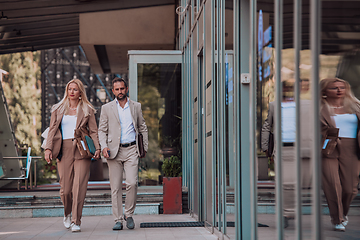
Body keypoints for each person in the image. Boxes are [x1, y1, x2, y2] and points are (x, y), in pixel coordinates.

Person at [44, 79, 101, 232]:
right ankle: (67, 213)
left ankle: (76, 221)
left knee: (79, 186)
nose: (72, 92)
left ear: (80, 92)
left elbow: (94, 131)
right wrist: (48, 149)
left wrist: (97, 147)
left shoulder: (88, 109)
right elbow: (52, 130)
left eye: (75, 89)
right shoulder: (58, 108)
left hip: (82, 149)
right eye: (70, 89)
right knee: (65, 189)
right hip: (64, 149)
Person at [261, 80, 313, 228]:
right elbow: (266, 126)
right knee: (284, 183)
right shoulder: (274, 105)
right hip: (283, 149)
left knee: (301, 184)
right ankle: (286, 212)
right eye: (286, 87)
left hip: (303, 149)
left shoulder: (307, 105)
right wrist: (266, 148)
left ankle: (292, 209)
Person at [98, 77, 148, 230]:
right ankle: (118, 219)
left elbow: (142, 126)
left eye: (122, 88)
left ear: (126, 89)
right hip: (114, 152)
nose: (120, 92)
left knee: (132, 183)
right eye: (117, 89)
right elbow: (102, 130)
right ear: (113, 91)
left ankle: (129, 214)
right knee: (116, 187)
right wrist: (104, 146)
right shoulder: (106, 108)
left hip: (132, 150)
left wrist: (144, 147)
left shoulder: (136, 106)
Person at [320, 78, 360, 231]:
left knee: (350, 189)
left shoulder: (356, 106)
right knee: (332, 185)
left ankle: (342, 212)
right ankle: (337, 218)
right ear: (324, 91)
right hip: (328, 147)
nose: (339, 90)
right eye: (334, 88)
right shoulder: (319, 109)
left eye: (342, 87)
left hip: (352, 148)